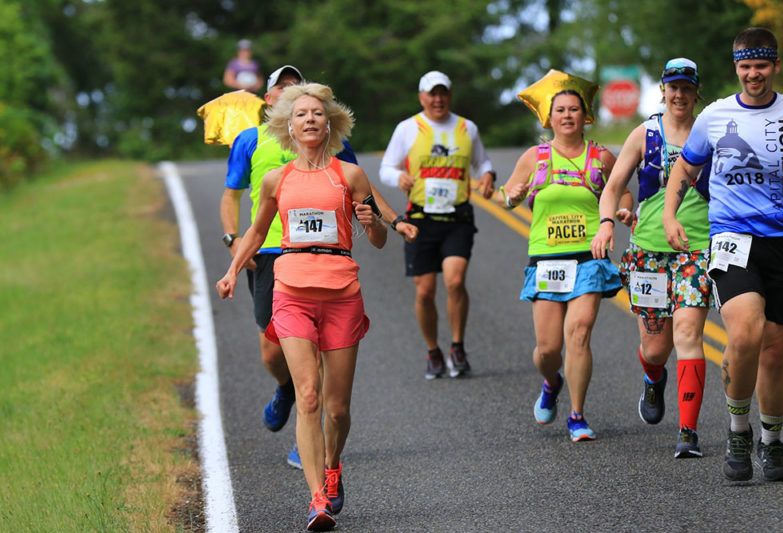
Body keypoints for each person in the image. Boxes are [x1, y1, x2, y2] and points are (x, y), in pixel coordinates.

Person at [222, 65, 415, 470]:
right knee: (273, 353)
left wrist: (388, 222)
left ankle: (319, 451)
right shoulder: (257, 148)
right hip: (278, 259)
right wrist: (233, 252)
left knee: (331, 399)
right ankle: (288, 391)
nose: (306, 112)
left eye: (313, 108)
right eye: (292, 98)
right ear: (276, 104)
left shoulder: (343, 164)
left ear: (327, 120)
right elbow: (241, 208)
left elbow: (368, 202)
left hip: (333, 275)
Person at [663, 27, 783, 482]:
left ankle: (772, 441)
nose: (753, 74)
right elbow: (687, 163)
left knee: (776, 352)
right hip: (733, 237)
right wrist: (670, 214)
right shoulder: (716, 116)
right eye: (745, 66)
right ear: (735, 68)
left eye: (761, 65)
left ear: (775, 65)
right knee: (745, 334)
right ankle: (738, 431)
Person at [496, 70, 628, 441]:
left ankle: (577, 414)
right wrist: (513, 195)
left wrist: (620, 213)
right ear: (549, 118)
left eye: (574, 109)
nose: (568, 115)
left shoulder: (601, 156)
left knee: (580, 333)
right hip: (546, 260)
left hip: (588, 256)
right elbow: (508, 197)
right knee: (548, 349)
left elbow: (622, 192)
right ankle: (551, 382)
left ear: (585, 115)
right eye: (561, 110)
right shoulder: (534, 157)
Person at [591, 59, 712, 458]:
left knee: (689, 335)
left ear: (697, 92)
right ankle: (653, 377)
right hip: (648, 253)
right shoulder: (645, 134)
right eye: (672, 87)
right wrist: (607, 223)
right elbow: (612, 187)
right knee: (657, 348)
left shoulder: (711, 132)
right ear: (662, 90)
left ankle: (689, 432)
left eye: (686, 88)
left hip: (696, 248)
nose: (679, 95)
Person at [379, 70, 496, 379]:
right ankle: (433, 350)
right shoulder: (407, 128)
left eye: (443, 93)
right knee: (424, 291)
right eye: (432, 94)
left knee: (455, 281)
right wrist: (398, 177)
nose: (438, 99)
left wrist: (487, 175)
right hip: (420, 219)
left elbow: (482, 162)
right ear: (422, 97)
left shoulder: (466, 128)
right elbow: (385, 169)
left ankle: (457, 346)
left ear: (450, 96)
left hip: (457, 217)